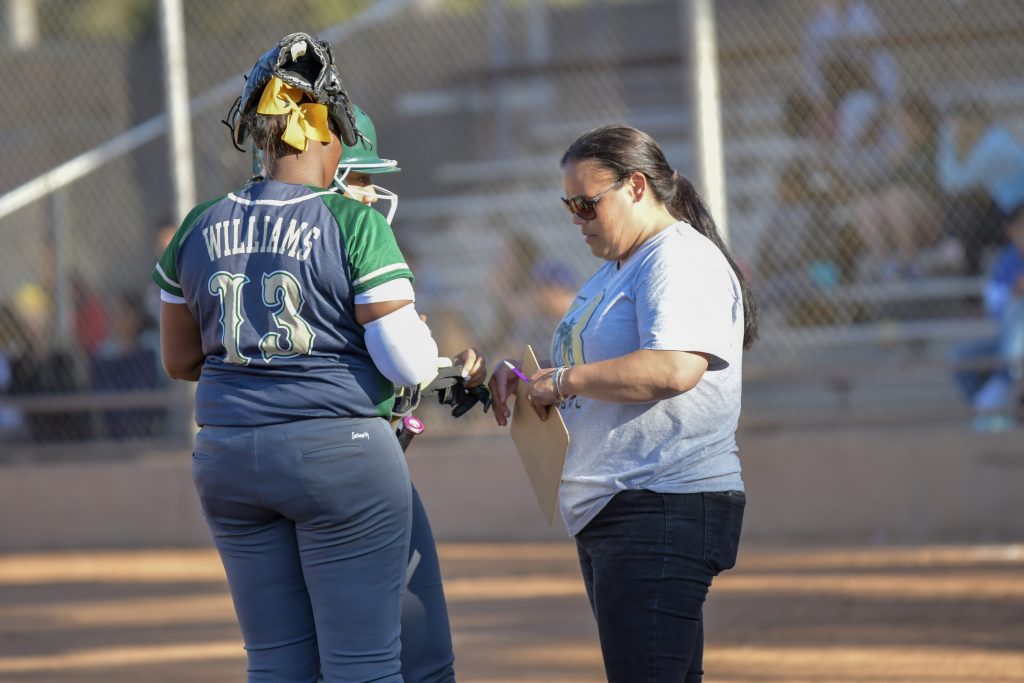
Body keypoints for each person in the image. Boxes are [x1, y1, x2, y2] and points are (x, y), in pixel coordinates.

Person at [153, 32, 483, 682]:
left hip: (227, 455)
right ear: (327, 132)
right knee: (363, 663)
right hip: (339, 454)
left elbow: (180, 359)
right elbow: (407, 364)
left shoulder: (197, 224)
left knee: (277, 664)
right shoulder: (352, 222)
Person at [489, 125, 759, 683]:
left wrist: (563, 380)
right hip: (624, 507)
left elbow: (675, 367)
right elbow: (595, 373)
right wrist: (526, 378)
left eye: (587, 203)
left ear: (636, 186)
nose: (577, 218)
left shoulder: (677, 257)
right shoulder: (619, 267)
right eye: (569, 206)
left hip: (660, 502)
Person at [330, 103, 472, 683]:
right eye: (360, 177)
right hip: (355, 462)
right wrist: (424, 357)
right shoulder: (353, 233)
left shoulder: (229, 230)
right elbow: (405, 362)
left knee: (297, 654)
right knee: (422, 652)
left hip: (253, 463)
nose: (370, 193)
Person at [951, 205, 1024, 432]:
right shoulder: (1008, 260)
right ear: (1011, 231)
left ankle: (1005, 405)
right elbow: (994, 303)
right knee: (961, 358)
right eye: (1020, 226)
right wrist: (1014, 293)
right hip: (1007, 342)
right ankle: (993, 410)